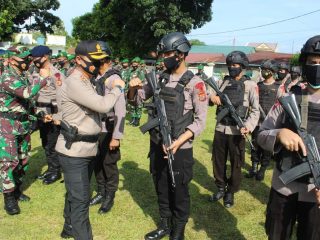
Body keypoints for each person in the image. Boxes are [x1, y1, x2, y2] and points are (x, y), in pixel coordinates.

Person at [128, 32, 207, 240]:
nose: (163, 58)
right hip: (157, 143)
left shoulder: (195, 83)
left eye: (167, 54)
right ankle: (164, 223)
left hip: (180, 148)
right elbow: (137, 100)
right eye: (162, 54)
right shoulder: (159, 78)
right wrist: (132, 89)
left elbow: (200, 122)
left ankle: (178, 230)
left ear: (180, 54)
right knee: (160, 185)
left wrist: (177, 142)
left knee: (179, 190)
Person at [55, 40, 125, 240]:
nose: (101, 64)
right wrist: (118, 88)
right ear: (79, 59)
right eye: (96, 60)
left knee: (74, 195)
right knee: (81, 201)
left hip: (85, 149)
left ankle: (68, 228)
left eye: (103, 60)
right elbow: (102, 105)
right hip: (74, 151)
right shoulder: (76, 81)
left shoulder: (86, 80)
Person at [257, 35, 320, 240]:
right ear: (304, 64)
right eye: (313, 62)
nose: (317, 67)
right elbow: (262, 134)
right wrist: (279, 133)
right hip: (284, 188)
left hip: (315, 196)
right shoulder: (289, 98)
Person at [0, 50, 49, 215]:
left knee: (23, 160)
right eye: (24, 59)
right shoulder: (7, 77)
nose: (27, 61)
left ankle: (17, 190)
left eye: (28, 58)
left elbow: (28, 101)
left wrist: (40, 114)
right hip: (7, 125)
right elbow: (27, 92)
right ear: (12, 60)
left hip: (23, 124)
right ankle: (9, 198)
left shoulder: (23, 76)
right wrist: (43, 78)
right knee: (8, 162)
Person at [209, 51, 260, 208]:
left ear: (243, 66)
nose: (232, 67)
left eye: (236, 65)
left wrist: (249, 127)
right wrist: (213, 98)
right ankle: (220, 187)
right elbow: (211, 97)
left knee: (236, 164)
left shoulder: (250, 85)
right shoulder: (223, 82)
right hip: (221, 128)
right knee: (218, 161)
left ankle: (230, 191)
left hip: (238, 131)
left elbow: (255, 110)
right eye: (230, 65)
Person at [89, 41, 126, 214]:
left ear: (106, 60)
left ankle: (109, 196)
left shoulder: (114, 79)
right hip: (95, 128)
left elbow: (121, 110)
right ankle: (101, 191)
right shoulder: (96, 77)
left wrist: (116, 137)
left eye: (98, 60)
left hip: (109, 129)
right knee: (97, 162)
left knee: (109, 164)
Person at [30, 45, 65, 185]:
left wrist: (59, 116)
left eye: (36, 58)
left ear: (45, 57)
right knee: (45, 142)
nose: (33, 60)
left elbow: (63, 96)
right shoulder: (35, 72)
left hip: (52, 111)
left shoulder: (56, 74)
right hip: (40, 111)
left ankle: (55, 171)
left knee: (52, 144)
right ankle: (51, 168)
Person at [246, 59, 285, 181]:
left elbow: (282, 105)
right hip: (257, 122)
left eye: (267, 70)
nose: (264, 72)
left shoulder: (279, 87)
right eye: (263, 70)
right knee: (254, 145)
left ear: (273, 72)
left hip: (271, 124)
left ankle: (262, 170)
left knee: (267, 148)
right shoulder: (258, 86)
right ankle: (253, 168)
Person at [128, 57, 145, 126]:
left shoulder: (141, 71)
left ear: (138, 63)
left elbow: (142, 81)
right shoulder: (131, 71)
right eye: (133, 62)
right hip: (131, 91)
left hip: (139, 91)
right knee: (132, 105)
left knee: (138, 106)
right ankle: (133, 119)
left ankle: (137, 121)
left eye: (136, 62)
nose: (134, 64)